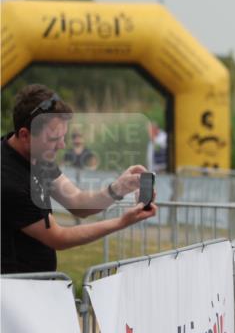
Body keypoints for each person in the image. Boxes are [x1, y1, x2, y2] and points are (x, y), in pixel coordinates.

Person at [1, 85, 156, 274]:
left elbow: (77, 202)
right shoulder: (8, 180)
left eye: (63, 137)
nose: (62, 145)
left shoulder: (36, 154)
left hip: (35, 282)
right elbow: (59, 237)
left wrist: (120, 187)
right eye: (54, 139)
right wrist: (122, 222)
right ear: (25, 135)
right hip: (13, 287)